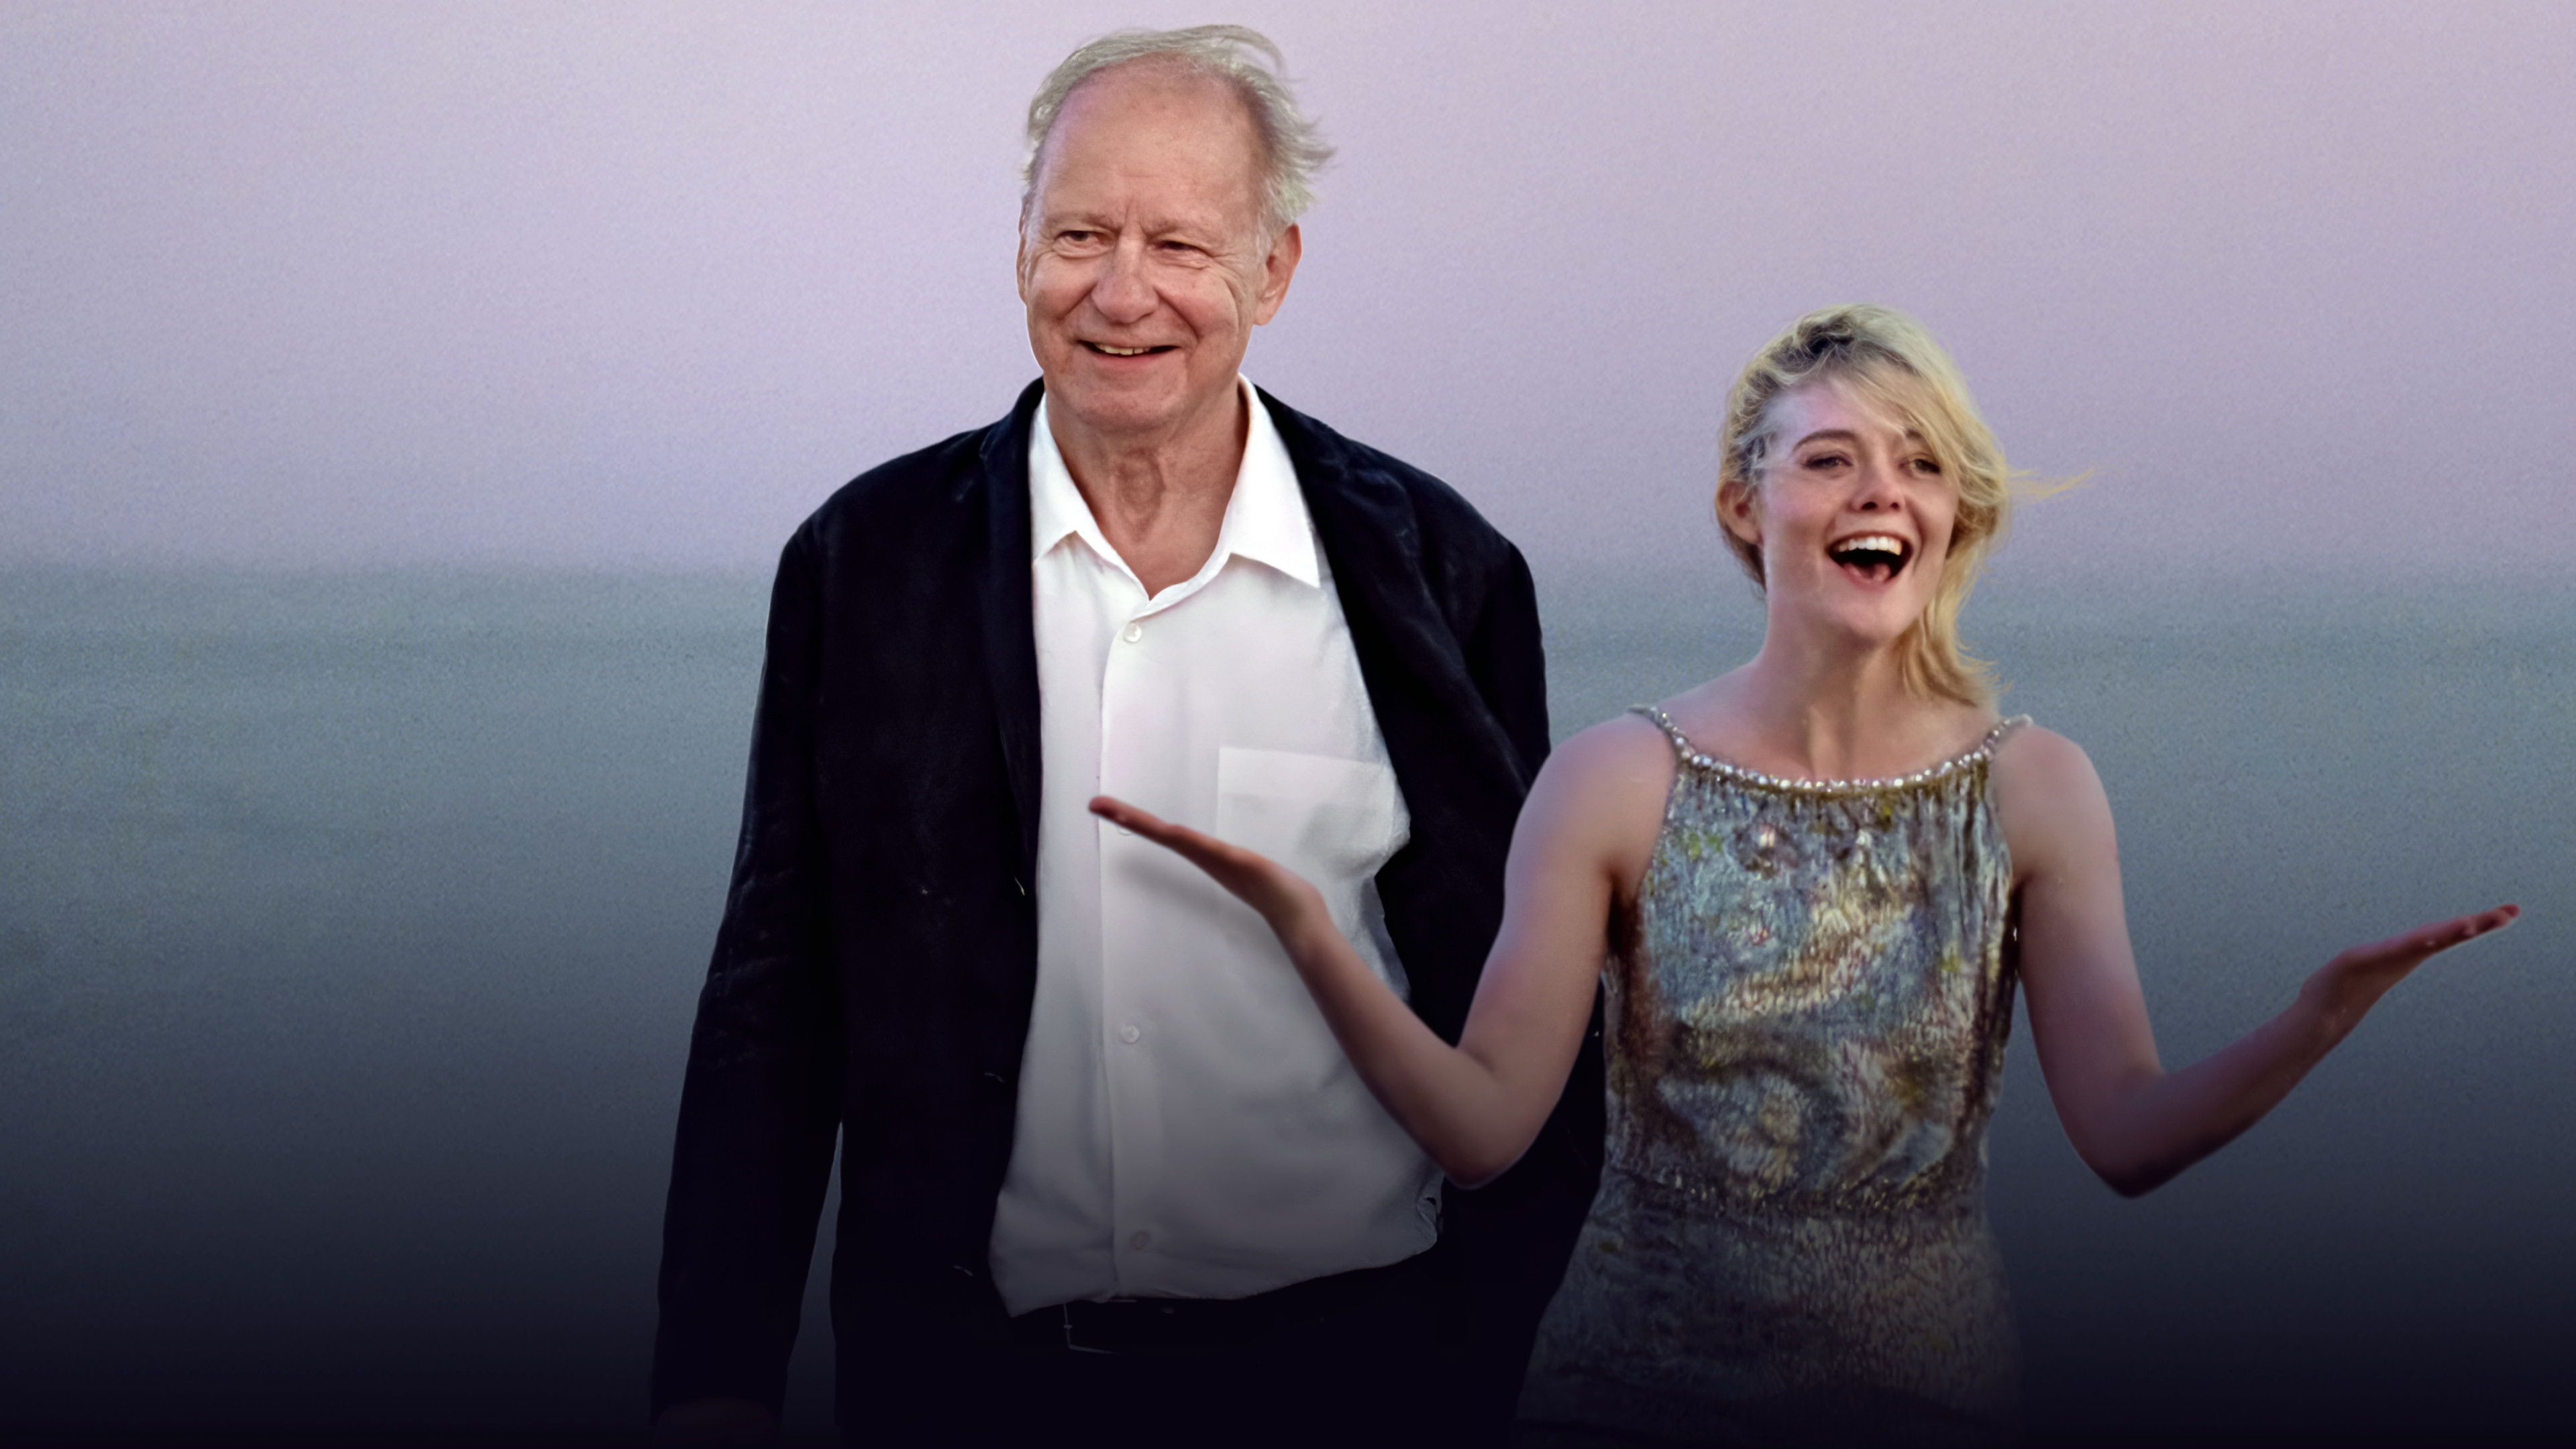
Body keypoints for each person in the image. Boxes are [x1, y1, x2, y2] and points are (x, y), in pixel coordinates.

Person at [1095, 303, 2519, 1446]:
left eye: (1920, 462)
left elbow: (2129, 1139)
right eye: (1830, 458)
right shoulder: (1616, 780)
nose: (1881, 488)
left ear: (1953, 513)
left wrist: (2316, 1018)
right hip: (1627, 1393)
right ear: (1744, 502)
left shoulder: (2033, 790)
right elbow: (1480, 1130)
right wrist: (1307, 927)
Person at [649, 25, 1599, 1449]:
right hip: (969, 1382)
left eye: (1180, 245)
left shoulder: (1441, 570)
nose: (1121, 291)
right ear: (1020, 249)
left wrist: (1486, 1358)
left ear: (1273, 272)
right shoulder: (867, 561)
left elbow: (1534, 1005)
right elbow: (773, 1000)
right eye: (1079, 234)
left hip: (1362, 1372)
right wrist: (716, 1380)